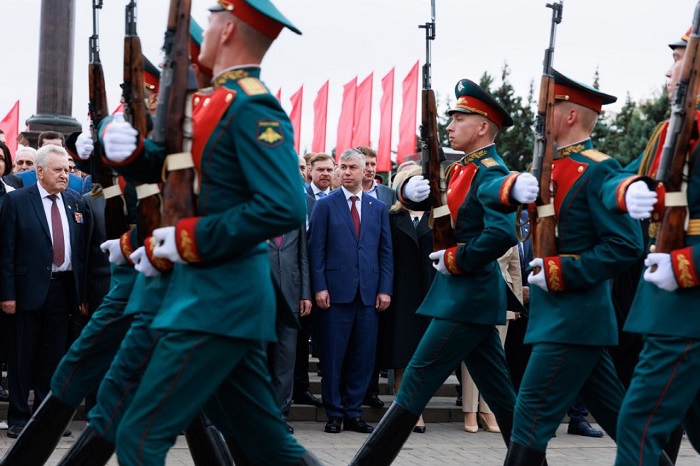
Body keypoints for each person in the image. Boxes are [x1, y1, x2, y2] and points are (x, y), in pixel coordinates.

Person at [96, 2, 321, 464]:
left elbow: (284, 204)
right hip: (211, 296)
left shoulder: (253, 106)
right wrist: (129, 153)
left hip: (220, 299)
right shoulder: (211, 102)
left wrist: (189, 239)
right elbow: (173, 167)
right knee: (267, 443)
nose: (206, 22)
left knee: (139, 437)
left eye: (216, 13)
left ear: (228, 29)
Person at [350, 78, 539, 465]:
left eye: (459, 118)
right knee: (501, 396)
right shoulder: (460, 170)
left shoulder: (489, 171)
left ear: (483, 126)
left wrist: (457, 259)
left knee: (416, 382)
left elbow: (501, 234)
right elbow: (439, 211)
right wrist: (407, 194)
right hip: (465, 298)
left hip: (465, 297)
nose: (450, 125)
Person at [500, 70, 647, 465]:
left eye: (548, 108)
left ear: (569, 116)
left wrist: (561, 272)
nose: (538, 117)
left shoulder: (597, 168)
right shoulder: (548, 168)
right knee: (624, 422)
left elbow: (626, 244)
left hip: (574, 319)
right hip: (564, 321)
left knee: (529, 417)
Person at [611, 27, 700, 466]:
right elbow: (619, 177)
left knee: (638, 423)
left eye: (678, 59)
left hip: (685, 306)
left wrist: (686, 264)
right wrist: (630, 190)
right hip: (673, 308)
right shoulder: (672, 130)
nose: (668, 73)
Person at [0, 145, 93, 439]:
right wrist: (7, 294)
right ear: (39, 171)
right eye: (58, 170)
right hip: (26, 291)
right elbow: (6, 251)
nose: (65, 175)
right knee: (22, 357)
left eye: (67, 169)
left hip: (63, 290)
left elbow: (80, 253)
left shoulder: (75, 202)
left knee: (54, 357)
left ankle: (45, 418)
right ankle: (18, 417)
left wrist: (81, 295)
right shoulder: (17, 201)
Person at [308, 148, 393, 434]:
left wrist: (385, 289)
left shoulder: (378, 208)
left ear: (363, 171)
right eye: (341, 167)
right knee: (333, 357)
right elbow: (316, 251)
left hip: (369, 296)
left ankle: (354, 412)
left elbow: (385, 253)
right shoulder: (325, 205)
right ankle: (334, 413)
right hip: (334, 295)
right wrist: (319, 286)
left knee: (363, 356)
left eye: (351, 168)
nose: (346, 172)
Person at [382, 166, 434, 433]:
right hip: (401, 293)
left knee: (423, 354)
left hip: (429, 292)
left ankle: (417, 408)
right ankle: (402, 406)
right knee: (402, 352)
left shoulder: (438, 217)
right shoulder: (391, 217)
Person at [267, 159, 312, 434]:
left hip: (291, 294)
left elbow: (302, 256)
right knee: (259, 358)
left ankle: (279, 415)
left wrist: (305, 293)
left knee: (286, 358)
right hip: (260, 296)